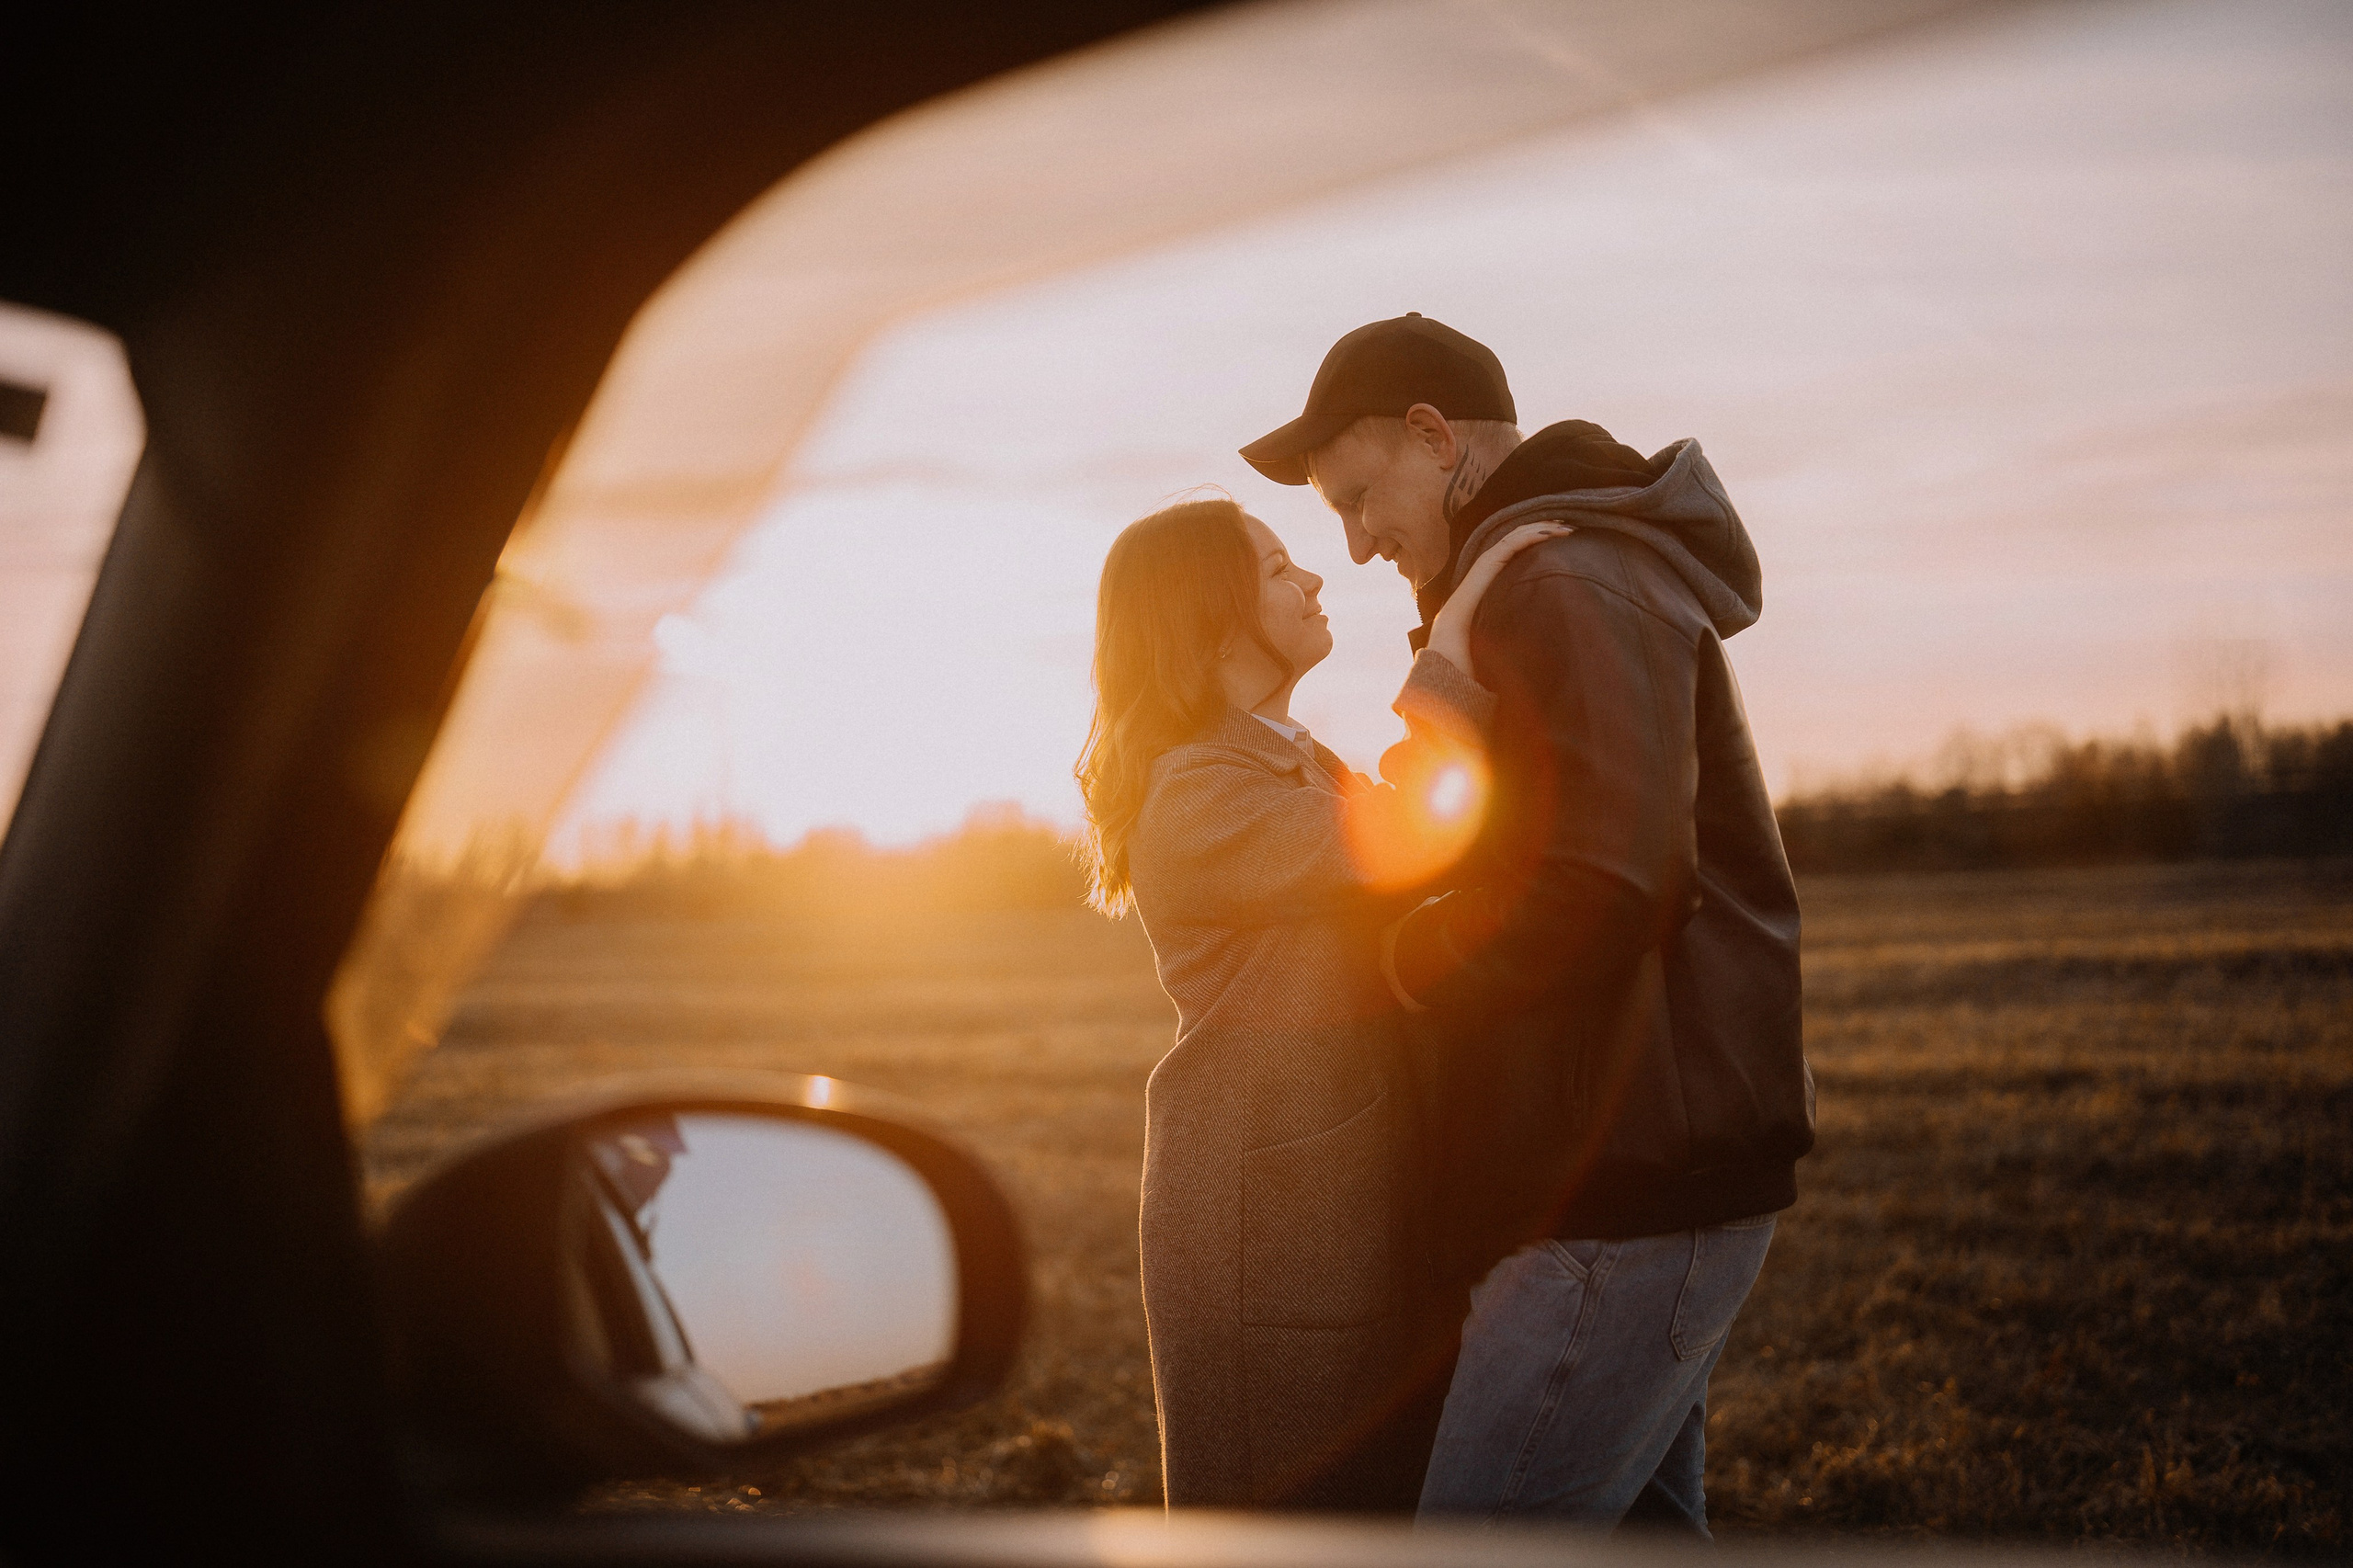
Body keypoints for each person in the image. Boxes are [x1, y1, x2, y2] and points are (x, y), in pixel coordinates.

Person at [1239, 312, 1815, 1532]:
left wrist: (1412, 962)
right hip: (1629, 1169)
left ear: (1433, 435)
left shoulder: (1562, 578)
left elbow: (1605, 881)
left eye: (1357, 497)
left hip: (1619, 1187)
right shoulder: (1549, 573)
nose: (1353, 544)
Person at [1074, 494, 1564, 1509]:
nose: (1312, 578)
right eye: (1276, 567)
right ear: (1208, 620)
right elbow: (1422, 830)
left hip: (1336, 1195)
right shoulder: (1197, 794)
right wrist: (1452, 637)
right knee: (1284, 1522)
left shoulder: (1288, 760)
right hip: (1269, 1222)